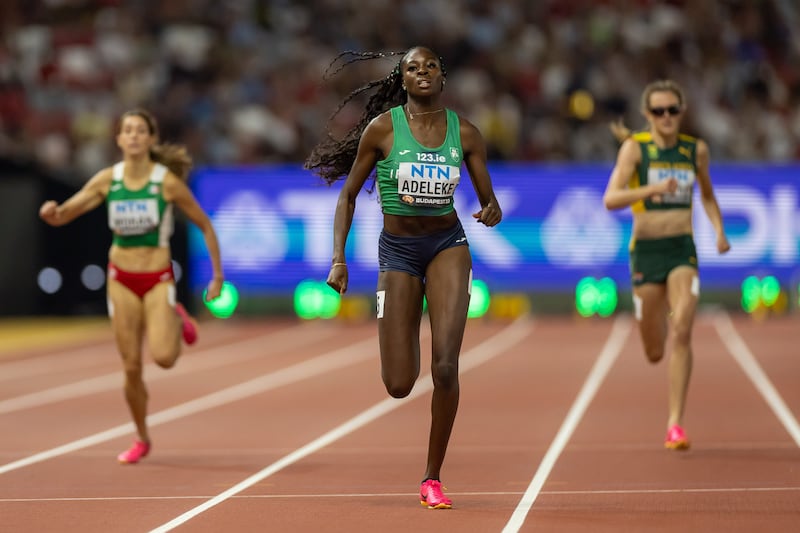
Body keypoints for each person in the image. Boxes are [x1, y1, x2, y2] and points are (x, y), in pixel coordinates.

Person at [305, 46, 502, 508]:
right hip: (397, 253)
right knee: (399, 383)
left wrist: (491, 210)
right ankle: (403, 328)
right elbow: (348, 196)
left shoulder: (465, 133)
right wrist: (338, 258)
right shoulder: (383, 129)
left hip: (447, 247)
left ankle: (432, 476)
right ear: (404, 80)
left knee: (446, 366)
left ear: (442, 75)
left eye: (430, 65)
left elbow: (488, 199)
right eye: (413, 68)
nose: (423, 72)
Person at [39, 108, 224, 464]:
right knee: (131, 367)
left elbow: (205, 225)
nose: (135, 136)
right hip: (121, 279)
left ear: (152, 139)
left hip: (156, 279)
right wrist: (53, 212)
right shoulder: (109, 180)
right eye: (128, 130)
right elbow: (66, 212)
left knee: (165, 358)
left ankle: (175, 315)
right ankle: (141, 436)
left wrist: (217, 277)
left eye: (141, 130)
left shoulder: (165, 183)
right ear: (120, 139)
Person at [603, 80, 730, 450]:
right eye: (659, 111)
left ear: (682, 111)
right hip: (645, 250)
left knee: (686, 327)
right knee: (654, 350)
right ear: (647, 115)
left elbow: (706, 195)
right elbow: (611, 199)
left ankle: (675, 422)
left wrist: (719, 230)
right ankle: (653, 321)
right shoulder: (635, 149)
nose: (666, 116)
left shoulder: (695, 151)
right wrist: (650, 190)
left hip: (681, 249)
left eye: (673, 109)